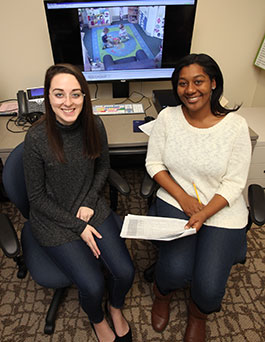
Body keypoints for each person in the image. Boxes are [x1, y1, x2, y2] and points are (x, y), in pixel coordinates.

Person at [23, 63, 134, 342]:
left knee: (124, 272)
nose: (68, 102)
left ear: (85, 96)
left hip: (90, 206)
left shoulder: (94, 124)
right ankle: (97, 320)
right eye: (59, 94)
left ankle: (115, 307)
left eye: (76, 94)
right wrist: (77, 226)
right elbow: (36, 199)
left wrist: (87, 200)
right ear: (47, 97)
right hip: (53, 220)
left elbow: (102, 167)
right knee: (93, 284)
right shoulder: (35, 138)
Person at [145, 53, 251, 341]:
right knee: (174, 271)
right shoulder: (167, 117)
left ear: (213, 83)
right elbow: (154, 164)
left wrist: (204, 213)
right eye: (182, 83)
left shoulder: (236, 126)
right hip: (177, 200)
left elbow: (234, 182)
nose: (190, 90)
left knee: (208, 288)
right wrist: (182, 198)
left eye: (198, 81)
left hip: (222, 209)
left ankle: (197, 313)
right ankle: (162, 294)